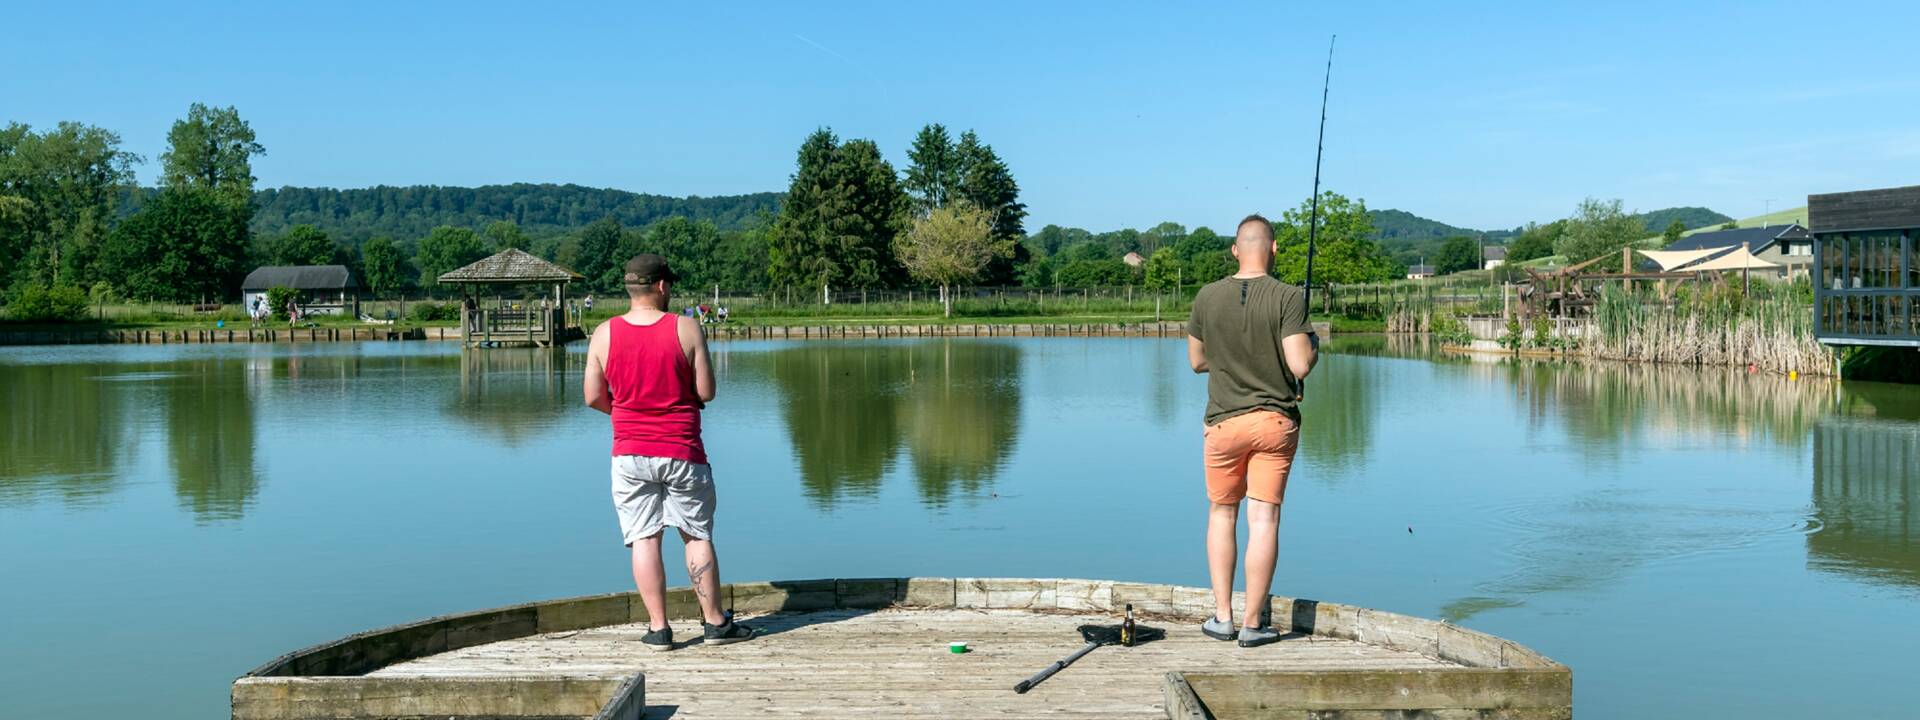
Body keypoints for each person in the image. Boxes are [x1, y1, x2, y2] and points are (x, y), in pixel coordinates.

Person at [583, 253, 753, 651]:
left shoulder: (604, 333)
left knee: (644, 537)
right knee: (695, 534)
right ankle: (714, 624)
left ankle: (659, 630)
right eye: (670, 285)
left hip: (629, 452)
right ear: (661, 286)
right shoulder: (687, 328)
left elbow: (592, 396)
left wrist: (624, 411)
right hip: (681, 448)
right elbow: (706, 392)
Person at [1184, 213, 1319, 648]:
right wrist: (1312, 347)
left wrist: (1229, 356)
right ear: (1274, 248)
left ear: (1235, 250)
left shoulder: (1207, 296)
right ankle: (1252, 622)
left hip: (1223, 423)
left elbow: (1197, 361)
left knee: (1223, 514)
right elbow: (1299, 364)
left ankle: (1221, 617)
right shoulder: (1288, 297)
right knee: (1264, 518)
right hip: (1274, 424)